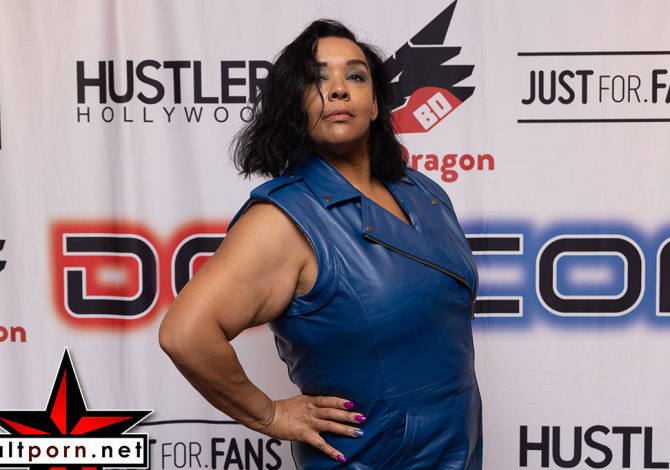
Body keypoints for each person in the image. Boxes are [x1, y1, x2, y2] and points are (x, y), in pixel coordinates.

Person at [159, 19, 482, 469]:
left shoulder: (425, 192)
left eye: (355, 76)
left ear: (375, 104)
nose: (338, 89)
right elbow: (185, 335)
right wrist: (269, 414)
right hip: (369, 457)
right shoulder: (283, 219)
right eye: (316, 79)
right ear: (296, 105)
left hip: (459, 446)